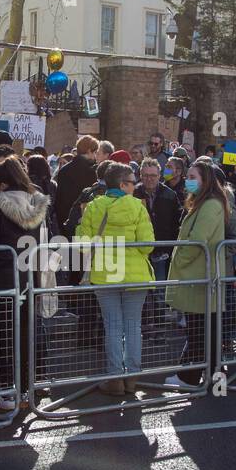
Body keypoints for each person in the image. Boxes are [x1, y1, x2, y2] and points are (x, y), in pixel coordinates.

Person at [75, 161, 154, 395]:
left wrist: (81, 227)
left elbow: (83, 245)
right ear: (122, 184)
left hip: (105, 273)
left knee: (112, 326)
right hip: (135, 274)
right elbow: (148, 246)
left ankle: (114, 378)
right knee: (133, 326)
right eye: (132, 182)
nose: (135, 185)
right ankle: (132, 378)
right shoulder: (138, 206)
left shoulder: (93, 207)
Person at [0, 157, 51, 409]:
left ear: (1, 184)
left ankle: (7, 390)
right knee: (26, 335)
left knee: (2, 336)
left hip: (2, 277)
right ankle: (25, 391)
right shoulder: (37, 202)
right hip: (29, 276)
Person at [166, 160, 227, 387]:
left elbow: (197, 240)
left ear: (205, 180)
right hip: (198, 273)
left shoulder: (210, 205)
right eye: (188, 176)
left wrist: (180, 259)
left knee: (200, 330)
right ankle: (207, 376)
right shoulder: (205, 203)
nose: (188, 181)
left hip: (200, 274)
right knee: (203, 329)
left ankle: (189, 377)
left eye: (193, 177)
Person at [135, 157, 180, 280]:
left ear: (159, 175)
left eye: (153, 175)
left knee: (160, 289)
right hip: (139, 251)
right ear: (140, 175)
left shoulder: (170, 195)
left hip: (162, 251)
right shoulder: (133, 193)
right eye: (145, 175)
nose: (149, 179)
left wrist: (170, 249)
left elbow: (176, 223)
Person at [53, 134, 101, 229]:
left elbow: (59, 201)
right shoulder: (93, 171)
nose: (96, 156)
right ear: (89, 151)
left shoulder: (64, 170)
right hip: (87, 221)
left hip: (66, 221)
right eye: (95, 152)